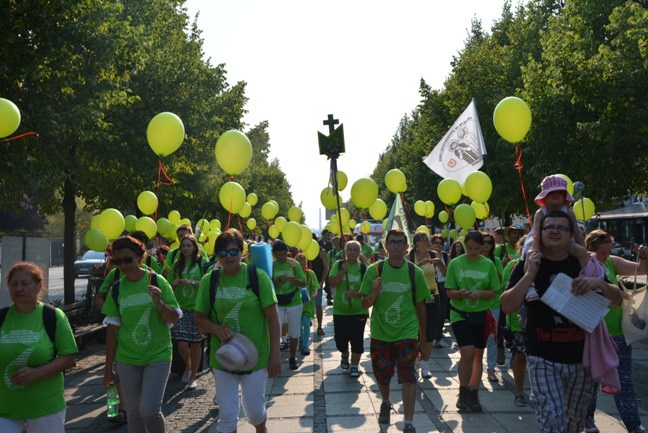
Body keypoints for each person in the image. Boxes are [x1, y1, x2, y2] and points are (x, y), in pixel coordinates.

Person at [501, 210, 623, 433]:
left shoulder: (584, 264)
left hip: (580, 359)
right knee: (551, 419)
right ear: (540, 232)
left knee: (573, 424)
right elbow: (507, 305)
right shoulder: (529, 262)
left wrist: (599, 284)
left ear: (571, 234)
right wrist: (529, 274)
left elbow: (617, 300)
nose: (555, 231)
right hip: (542, 357)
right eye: (549, 227)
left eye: (561, 227)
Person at [194, 231, 280, 433]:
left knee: (254, 412)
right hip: (223, 357)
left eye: (234, 250)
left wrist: (275, 354)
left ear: (243, 252)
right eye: (222, 252)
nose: (228, 256)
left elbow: (273, 318)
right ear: (217, 255)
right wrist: (215, 328)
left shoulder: (257, 277)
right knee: (227, 415)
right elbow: (199, 317)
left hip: (256, 356)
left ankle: (261, 428)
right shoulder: (210, 280)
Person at [102, 235, 181, 433]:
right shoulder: (117, 289)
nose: (123, 265)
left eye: (127, 259)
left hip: (158, 355)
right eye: (117, 261)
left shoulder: (157, 281)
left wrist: (160, 304)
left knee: (149, 411)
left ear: (140, 256)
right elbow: (112, 332)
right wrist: (108, 368)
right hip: (127, 358)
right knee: (133, 413)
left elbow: (174, 318)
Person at [360, 228, 430, 433]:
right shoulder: (374, 270)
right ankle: (386, 401)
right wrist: (374, 292)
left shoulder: (414, 272)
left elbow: (421, 307)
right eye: (393, 242)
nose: (397, 246)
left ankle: (408, 422)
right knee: (382, 376)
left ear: (407, 246)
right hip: (381, 333)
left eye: (401, 242)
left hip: (407, 334)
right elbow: (364, 304)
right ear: (386, 246)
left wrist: (423, 340)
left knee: (409, 376)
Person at [582, 230, 648, 433]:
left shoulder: (611, 261)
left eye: (608, 252)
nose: (606, 256)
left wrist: (644, 256)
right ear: (591, 250)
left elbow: (641, 270)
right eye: (602, 253)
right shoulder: (583, 265)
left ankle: (634, 425)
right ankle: (588, 419)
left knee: (624, 382)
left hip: (618, 333)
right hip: (593, 333)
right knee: (590, 381)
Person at [0, 262, 78, 433]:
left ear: (39, 286)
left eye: (25, 283)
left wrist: (36, 373)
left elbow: (69, 358)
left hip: (44, 408)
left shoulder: (52, 316)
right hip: (5, 409)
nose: (18, 288)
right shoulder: (2, 318)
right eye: (14, 284)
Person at [445, 231, 500, 412]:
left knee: (478, 356)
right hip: (460, 313)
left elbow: (494, 291)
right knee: (467, 354)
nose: (473, 252)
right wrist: (459, 293)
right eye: (469, 248)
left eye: (477, 248)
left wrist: (481, 294)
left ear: (483, 247)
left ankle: (473, 394)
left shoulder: (488, 264)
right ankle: (463, 392)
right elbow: (449, 291)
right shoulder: (455, 263)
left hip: (480, 314)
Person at [170, 234, 208, 390]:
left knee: (196, 342)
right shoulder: (177, 265)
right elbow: (169, 285)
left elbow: (207, 283)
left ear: (194, 247)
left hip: (197, 308)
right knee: (181, 343)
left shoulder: (201, 263)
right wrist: (174, 283)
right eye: (183, 245)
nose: (185, 248)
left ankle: (193, 377)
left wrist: (190, 281)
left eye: (188, 245)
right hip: (181, 308)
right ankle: (190, 366)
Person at [329, 240, 369, 378]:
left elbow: (368, 289)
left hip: (359, 310)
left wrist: (356, 294)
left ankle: (354, 365)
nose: (352, 253)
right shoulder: (339, 265)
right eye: (350, 250)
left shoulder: (364, 268)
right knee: (340, 340)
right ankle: (344, 353)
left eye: (355, 250)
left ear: (359, 252)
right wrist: (341, 272)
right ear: (345, 252)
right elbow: (332, 283)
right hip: (340, 311)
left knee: (357, 339)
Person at [407, 232, 442, 379]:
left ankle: (425, 365)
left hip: (433, 296)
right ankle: (416, 359)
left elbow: (445, 274)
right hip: (415, 297)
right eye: (421, 240)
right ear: (415, 243)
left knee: (429, 332)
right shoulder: (409, 257)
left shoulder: (434, 254)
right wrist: (418, 265)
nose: (425, 242)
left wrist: (439, 263)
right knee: (415, 331)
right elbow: (405, 273)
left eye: (426, 239)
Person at [500, 235, 529, 407]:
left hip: (540, 321)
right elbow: (505, 291)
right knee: (520, 356)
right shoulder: (513, 266)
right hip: (518, 321)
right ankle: (519, 392)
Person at [525, 174, 584, 258]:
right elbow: (536, 233)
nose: (555, 195)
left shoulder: (569, 212)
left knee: (581, 253)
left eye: (559, 192)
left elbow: (576, 232)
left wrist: (583, 248)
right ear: (544, 197)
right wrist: (535, 249)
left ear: (564, 196)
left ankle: (586, 269)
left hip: (566, 241)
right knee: (529, 254)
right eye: (551, 192)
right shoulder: (540, 213)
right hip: (541, 240)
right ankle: (528, 269)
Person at [272, 240, 306, 370]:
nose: (281, 257)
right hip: (277, 302)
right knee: (275, 331)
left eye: (283, 254)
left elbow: (303, 283)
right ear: (274, 254)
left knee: (294, 331)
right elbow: (267, 286)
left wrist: (293, 279)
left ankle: (293, 358)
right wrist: (277, 281)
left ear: (287, 253)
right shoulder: (272, 265)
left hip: (294, 301)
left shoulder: (293, 263)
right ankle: (275, 358)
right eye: (278, 255)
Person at [480, 232, 504, 383]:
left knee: (492, 338)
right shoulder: (473, 261)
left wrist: (492, 265)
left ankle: (490, 369)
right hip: (475, 305)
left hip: (493, 304)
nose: (487, 245)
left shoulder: (495, 261)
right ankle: (475, 368)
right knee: (478, 338)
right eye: (484, 242)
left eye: (490, 242)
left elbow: (501, 282)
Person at [296, 253, 318, 356]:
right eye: (300, 265)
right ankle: (300, 340)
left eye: (304, 264)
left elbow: (315, 286)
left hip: (308, 304)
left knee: (306, 324)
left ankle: (305, 345)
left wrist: (314, 294)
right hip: (296, 304)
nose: (303, 267)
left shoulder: (310, 273)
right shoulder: (294, 275)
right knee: (299, 326)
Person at [429, 234, 448, 347]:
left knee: (442, 312)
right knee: (432, 311)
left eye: (440, 243)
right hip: (431, 286)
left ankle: (438, 338)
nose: (438, 245)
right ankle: (430, 336)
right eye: (436, 242)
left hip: (443, 285)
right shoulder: (429, 255)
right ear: (432, 244)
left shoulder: (445, 256)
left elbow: (449, 271)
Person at [309, 233, 329, 340]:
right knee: (305, 305)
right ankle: (306, 323)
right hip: (305, 283)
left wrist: (322, 282)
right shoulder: (303, 250)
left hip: (317, 282)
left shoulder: (321, 251)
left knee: (318, 305)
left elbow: (326, 267)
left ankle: (320, 327)